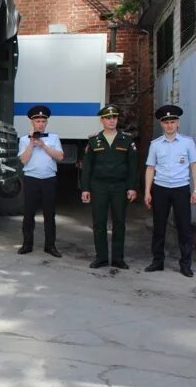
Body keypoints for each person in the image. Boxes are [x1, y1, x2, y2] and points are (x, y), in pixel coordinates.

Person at [80, 104, 138, 269]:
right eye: (108, 118)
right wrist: (85, 189)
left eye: (114, 117)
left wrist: (132, 187)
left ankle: (118, 259)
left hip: (120, 187)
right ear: (102, 120)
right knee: (99, 223)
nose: (111, 120)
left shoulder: (127, 140)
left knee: (119, 222)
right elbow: (87, 167)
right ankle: (102, 258)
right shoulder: (94, 140)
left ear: (117, 119)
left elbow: (133, 166)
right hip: (99, 186)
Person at [144, 104, 196, 277]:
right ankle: (157, 261)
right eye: (166, 122)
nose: (169, 125)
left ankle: (185, 264)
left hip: (181, 188)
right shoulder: (155, 145)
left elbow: (194, 166)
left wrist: (195, 189)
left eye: (172, 122)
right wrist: (147, 191)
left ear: (178, 123)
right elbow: (150, 168)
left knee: (184, 228)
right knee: (159, 227)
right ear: (162, 124)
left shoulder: (188, 143)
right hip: (161, 189)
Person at [17, 105, 64, 257]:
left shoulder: (53, 138)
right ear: (32, 123)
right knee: (28, 213)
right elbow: (23, 160)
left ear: (46, 123)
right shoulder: (24, 140)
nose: (41, 124)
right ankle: (27, 244)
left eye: (43, 121)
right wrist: (32, 143)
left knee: (49, 214)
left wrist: (43, 145)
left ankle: (50, 246)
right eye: (37, 121)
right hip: (31, 179)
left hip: (49, 179)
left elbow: (60, 157)